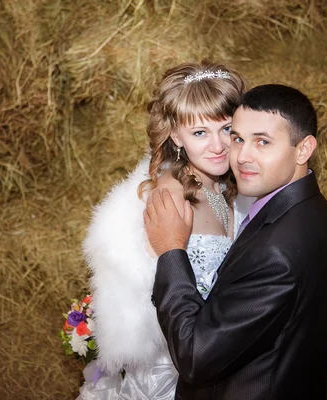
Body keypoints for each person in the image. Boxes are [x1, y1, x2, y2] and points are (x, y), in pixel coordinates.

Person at [144, 84, 327, 399]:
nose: (241, 157)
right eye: (238, 138)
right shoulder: (311, 208)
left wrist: (171, 248)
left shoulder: (276, 251)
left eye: (262, 142)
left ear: (303, 149)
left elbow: (195, 356)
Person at [77, 62, 252, 399]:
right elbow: (155, 287)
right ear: (175, 136)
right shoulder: (172, 196)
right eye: (199, 132)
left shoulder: (220, 185)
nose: (218, 145)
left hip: (211, 351)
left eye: (227, 129)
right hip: (173, 365)